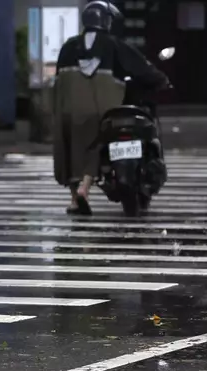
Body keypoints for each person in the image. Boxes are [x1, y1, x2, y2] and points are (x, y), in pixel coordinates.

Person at [52, 0, 168, 215]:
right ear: (106, 21)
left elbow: (58, 82)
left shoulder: (68, 47)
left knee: (71, 148)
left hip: (68, 111)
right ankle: (85, 189)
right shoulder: (114, 45)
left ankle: (75, 200)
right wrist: (162, 81)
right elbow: (143, 70)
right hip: (102, 111)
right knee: (98, 143)